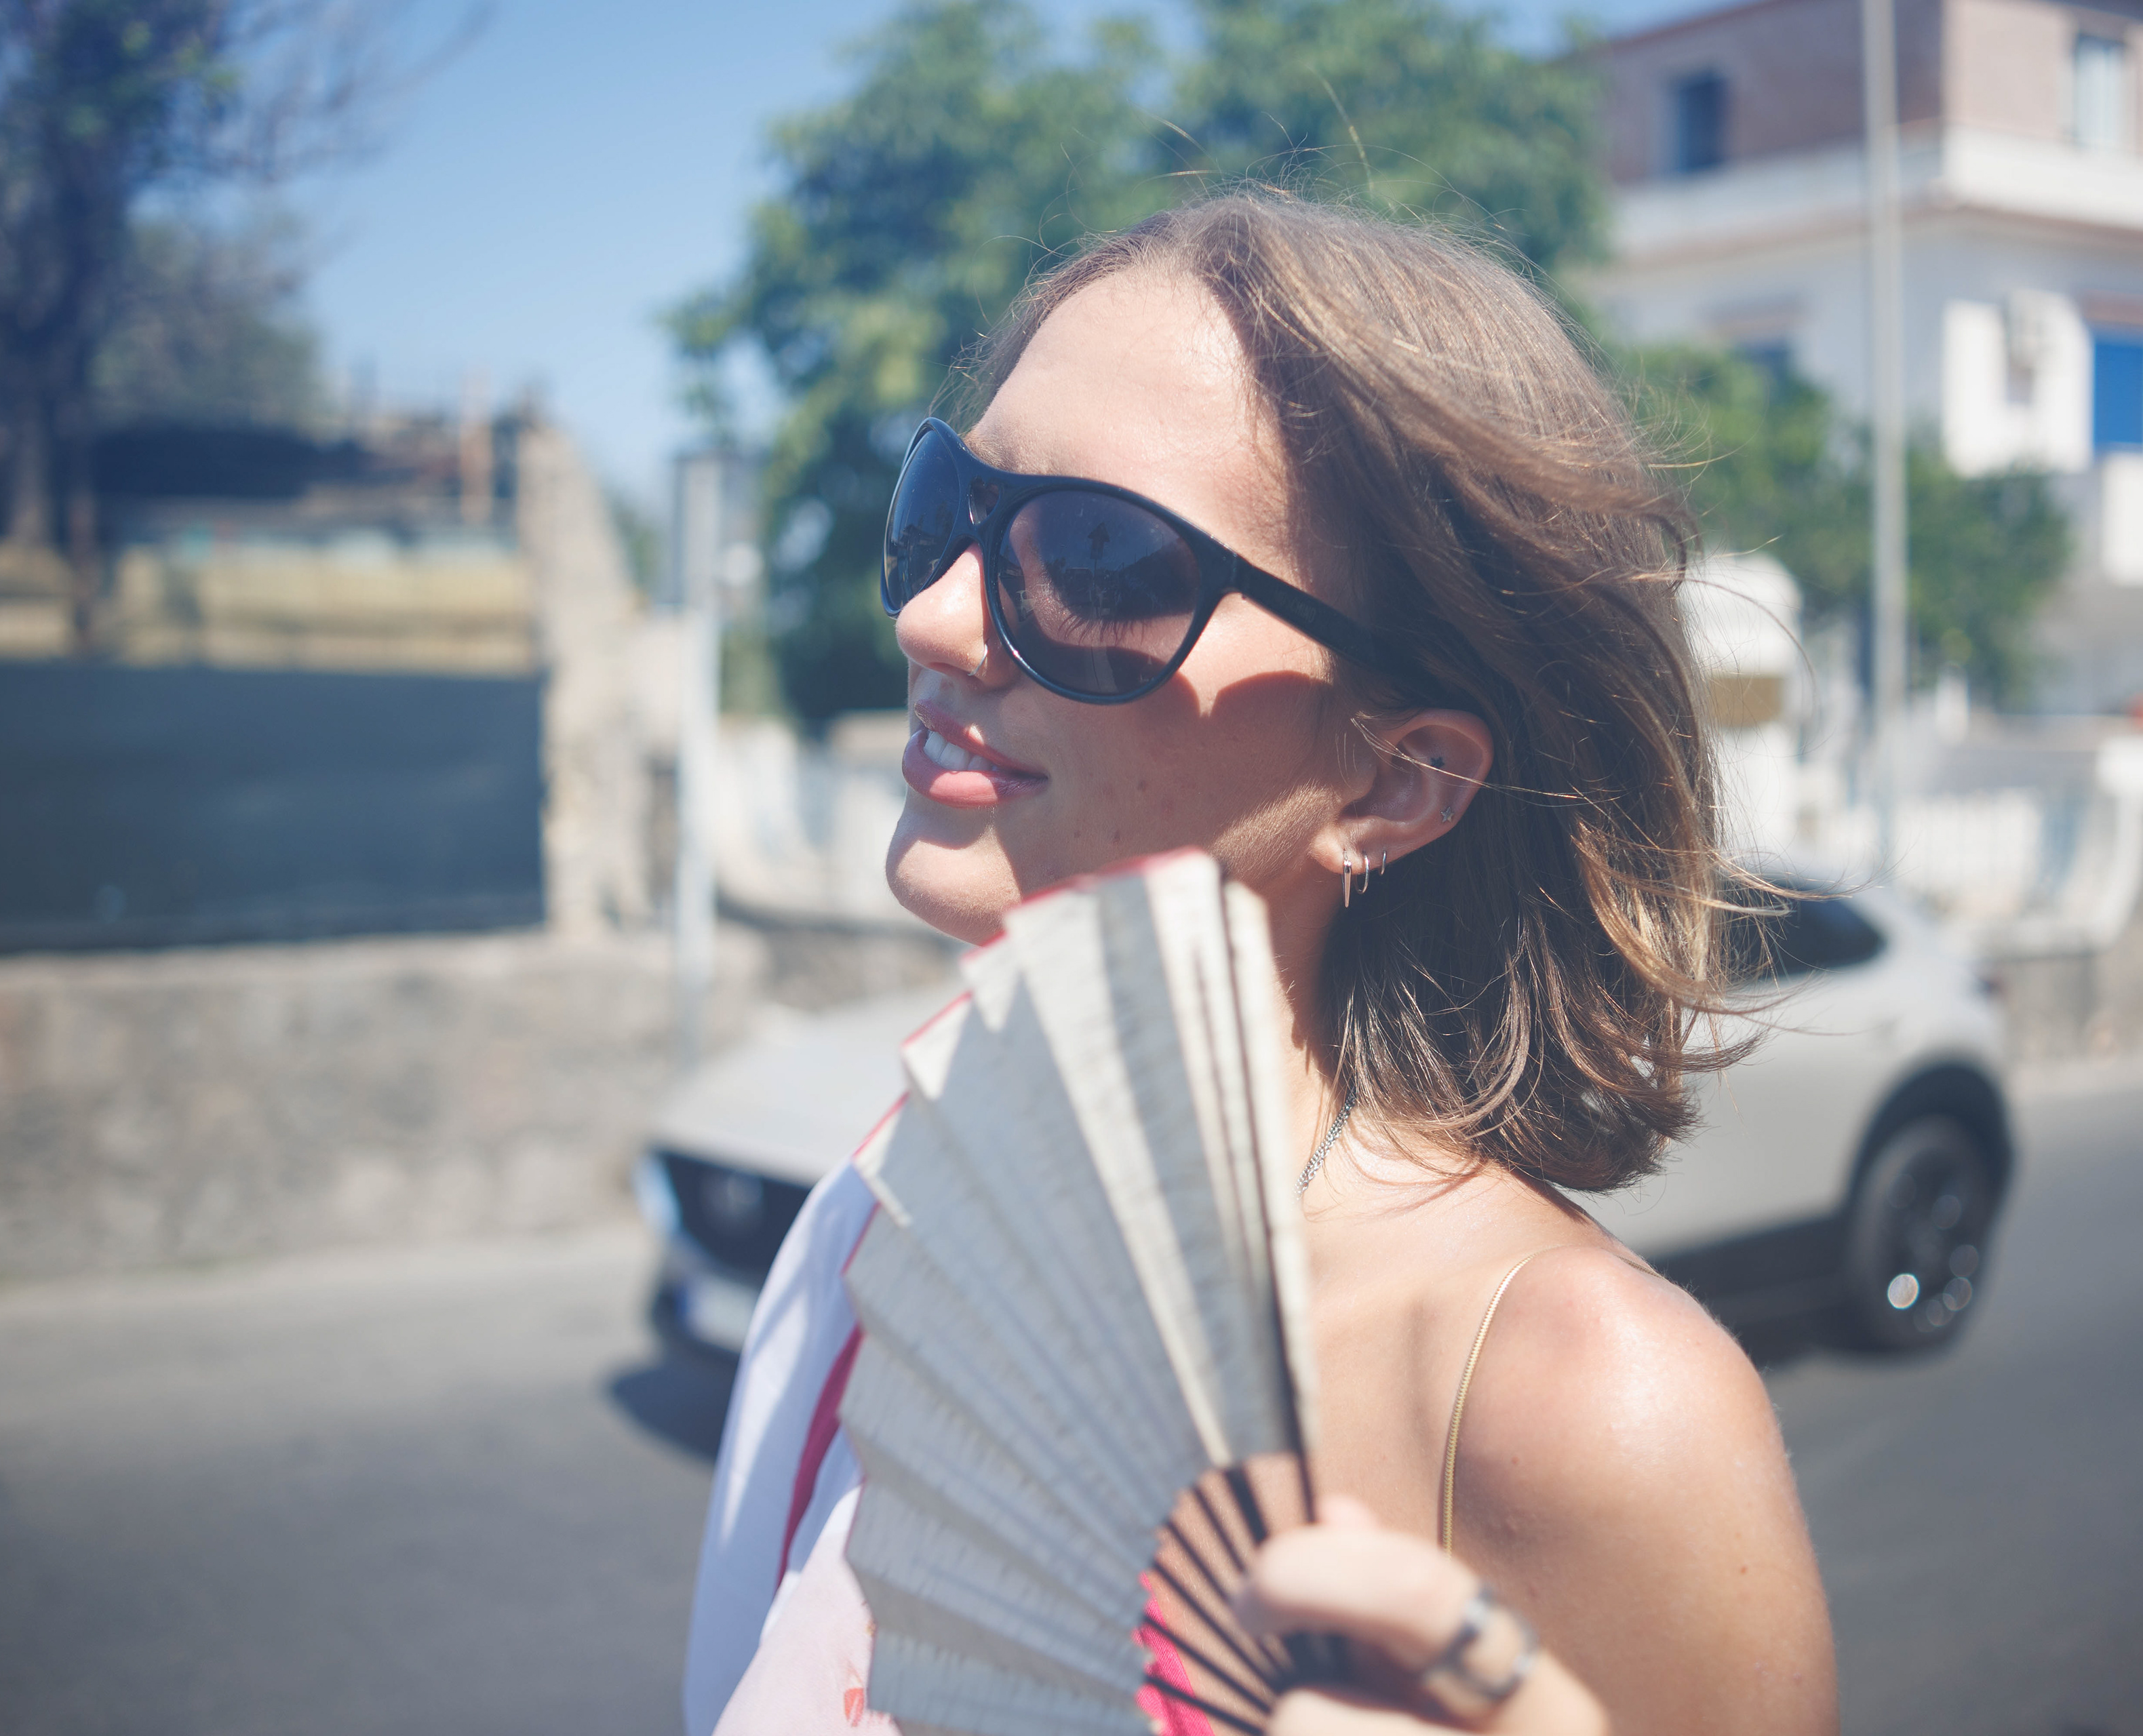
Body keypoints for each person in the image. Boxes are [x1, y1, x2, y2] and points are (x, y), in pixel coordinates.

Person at [682, 191, 1836, 1736]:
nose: (938, 618)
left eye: (1098, 560)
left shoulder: (1578, 1403)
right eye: (944, 503)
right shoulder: (879, 1222)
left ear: (1397, 780)